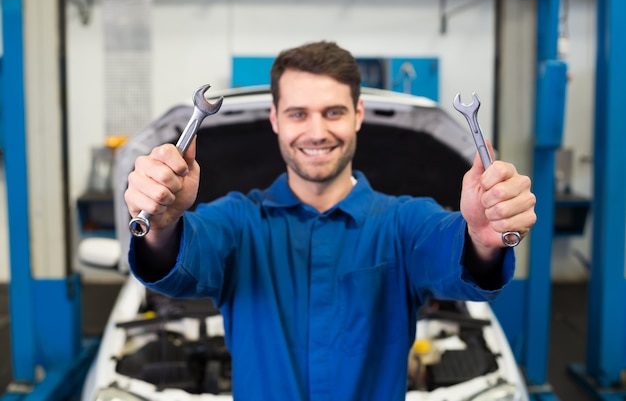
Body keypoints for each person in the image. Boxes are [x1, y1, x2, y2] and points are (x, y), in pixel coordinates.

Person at [124, 40, 536, 400]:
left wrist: (482, 238)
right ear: (276, 119)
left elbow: (457, 256)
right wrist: (161, 224)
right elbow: (181, 260)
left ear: (358, 114)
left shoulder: (404, 223)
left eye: (333, 112)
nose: (317, 132)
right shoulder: (238, 223)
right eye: (299, 114)